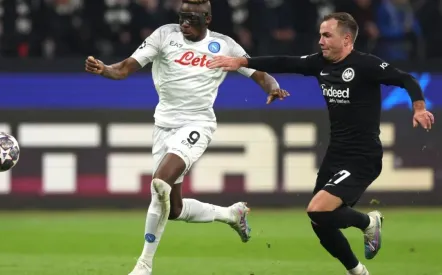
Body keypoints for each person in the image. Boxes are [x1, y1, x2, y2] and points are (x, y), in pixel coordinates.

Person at [209, 12, 435, 275]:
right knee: (319, 221)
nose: (321, 41)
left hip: (363, 156)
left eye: (327, 35)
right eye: (320, 35)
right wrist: (242, 62)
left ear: (347, 39)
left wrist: (418, 108)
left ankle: (368, 221)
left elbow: (407, 79)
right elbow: (284, 61)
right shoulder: (320, 64)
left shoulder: (366, 65)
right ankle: (357, 271)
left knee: (317, 209)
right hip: (336, 153)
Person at [85, 0, 290, 274]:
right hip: (164, 126)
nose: (184, 24)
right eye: (182, 17)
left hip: (198, 123)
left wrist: (273, 86)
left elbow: (258, 72)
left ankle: (144, 264)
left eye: (192, 19)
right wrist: (104, 69)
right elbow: (124, 68)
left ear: (207, 19)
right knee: (174, 209)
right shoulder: (164, 35)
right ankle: (231, 214)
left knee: (160, 183)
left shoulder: (225, 45)